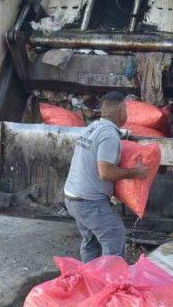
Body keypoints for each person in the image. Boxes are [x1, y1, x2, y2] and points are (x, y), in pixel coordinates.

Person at [64, 91, 149, 262]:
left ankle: (90, 275)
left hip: (72, 197)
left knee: (91, 242)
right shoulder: (109, 135)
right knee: (114, 237)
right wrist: (136, 172)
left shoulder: (92, 128)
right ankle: (111, 277)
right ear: (121, 112)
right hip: (89, 202)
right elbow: (106, 172)